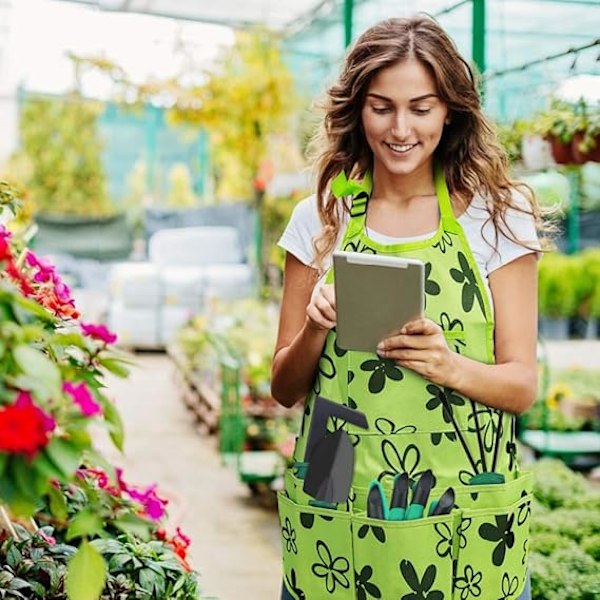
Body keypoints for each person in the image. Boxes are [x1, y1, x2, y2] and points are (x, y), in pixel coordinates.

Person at [271, 14, 543, 600]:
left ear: (450, 111)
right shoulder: (321, 219)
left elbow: (522, 386)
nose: (400, 128)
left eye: (421, 108)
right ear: (356, 109)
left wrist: (450, 367)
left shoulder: (498, 217)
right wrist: (317, 329)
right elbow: (284, 388)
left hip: (461, 513)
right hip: (336, 506)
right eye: (381, 106)